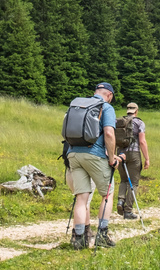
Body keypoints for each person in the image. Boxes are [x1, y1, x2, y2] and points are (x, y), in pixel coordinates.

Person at [67, 83, 122, 250]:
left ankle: (79, 239)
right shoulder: (106, 107)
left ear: (95, 92)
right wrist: (112, 158)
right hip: (94, 154)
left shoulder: (78, 105)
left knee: (81, 198)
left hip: (73, 154)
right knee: (107, 194)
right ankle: (102, 235)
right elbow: (109, 133)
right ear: (110, 95)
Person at [117, 101, 149, 219]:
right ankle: (128, 211)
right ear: (136, 111)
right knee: (134, 182)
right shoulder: (139, 123)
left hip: (120, 153)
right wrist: (147, 158)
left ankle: (120, 201)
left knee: (123, 180)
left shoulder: (119, 122)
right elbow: (142, 141)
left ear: (127, 110)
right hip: (134, 154)